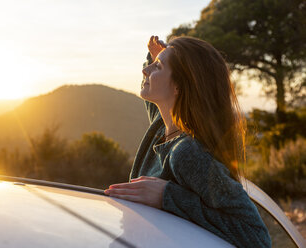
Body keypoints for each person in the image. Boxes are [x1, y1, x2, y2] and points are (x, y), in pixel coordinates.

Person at [104, 35, 271, 248]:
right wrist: (156, 58)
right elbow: (154, 92)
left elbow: (257, 237)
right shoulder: (161, 128)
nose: (145, 71)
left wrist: (168, 197)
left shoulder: (187, 153)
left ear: (179, 86)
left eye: (158, 67)